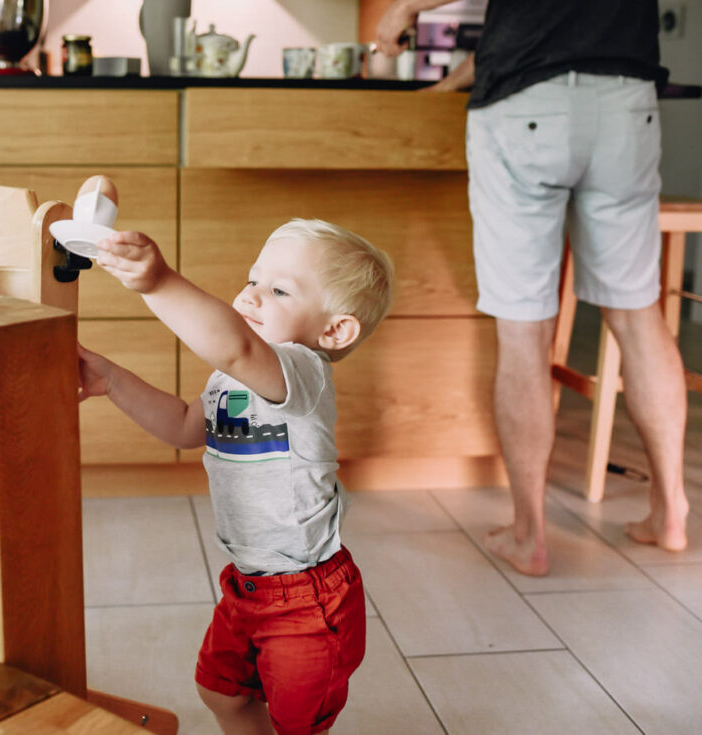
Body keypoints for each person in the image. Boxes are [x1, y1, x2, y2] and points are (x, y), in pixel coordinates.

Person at [375, 0, 689, 576]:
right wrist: (463, 75)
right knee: (638, 315)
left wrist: (404, 8)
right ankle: (670, 511)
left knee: (524, 330)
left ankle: (529, 536)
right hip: (626, 101)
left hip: (526, 109)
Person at [79, 218, 394, 734]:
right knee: (221, 692)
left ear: (333, 331)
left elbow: (236, 347)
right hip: (248, 585)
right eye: (252, 279)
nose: (250, 295)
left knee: (297, 723)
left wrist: (158, 282)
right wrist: (112, 380)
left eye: (278, 290)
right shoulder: (232, 379)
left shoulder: (303, 370)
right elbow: (183, 425)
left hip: (308, 599)